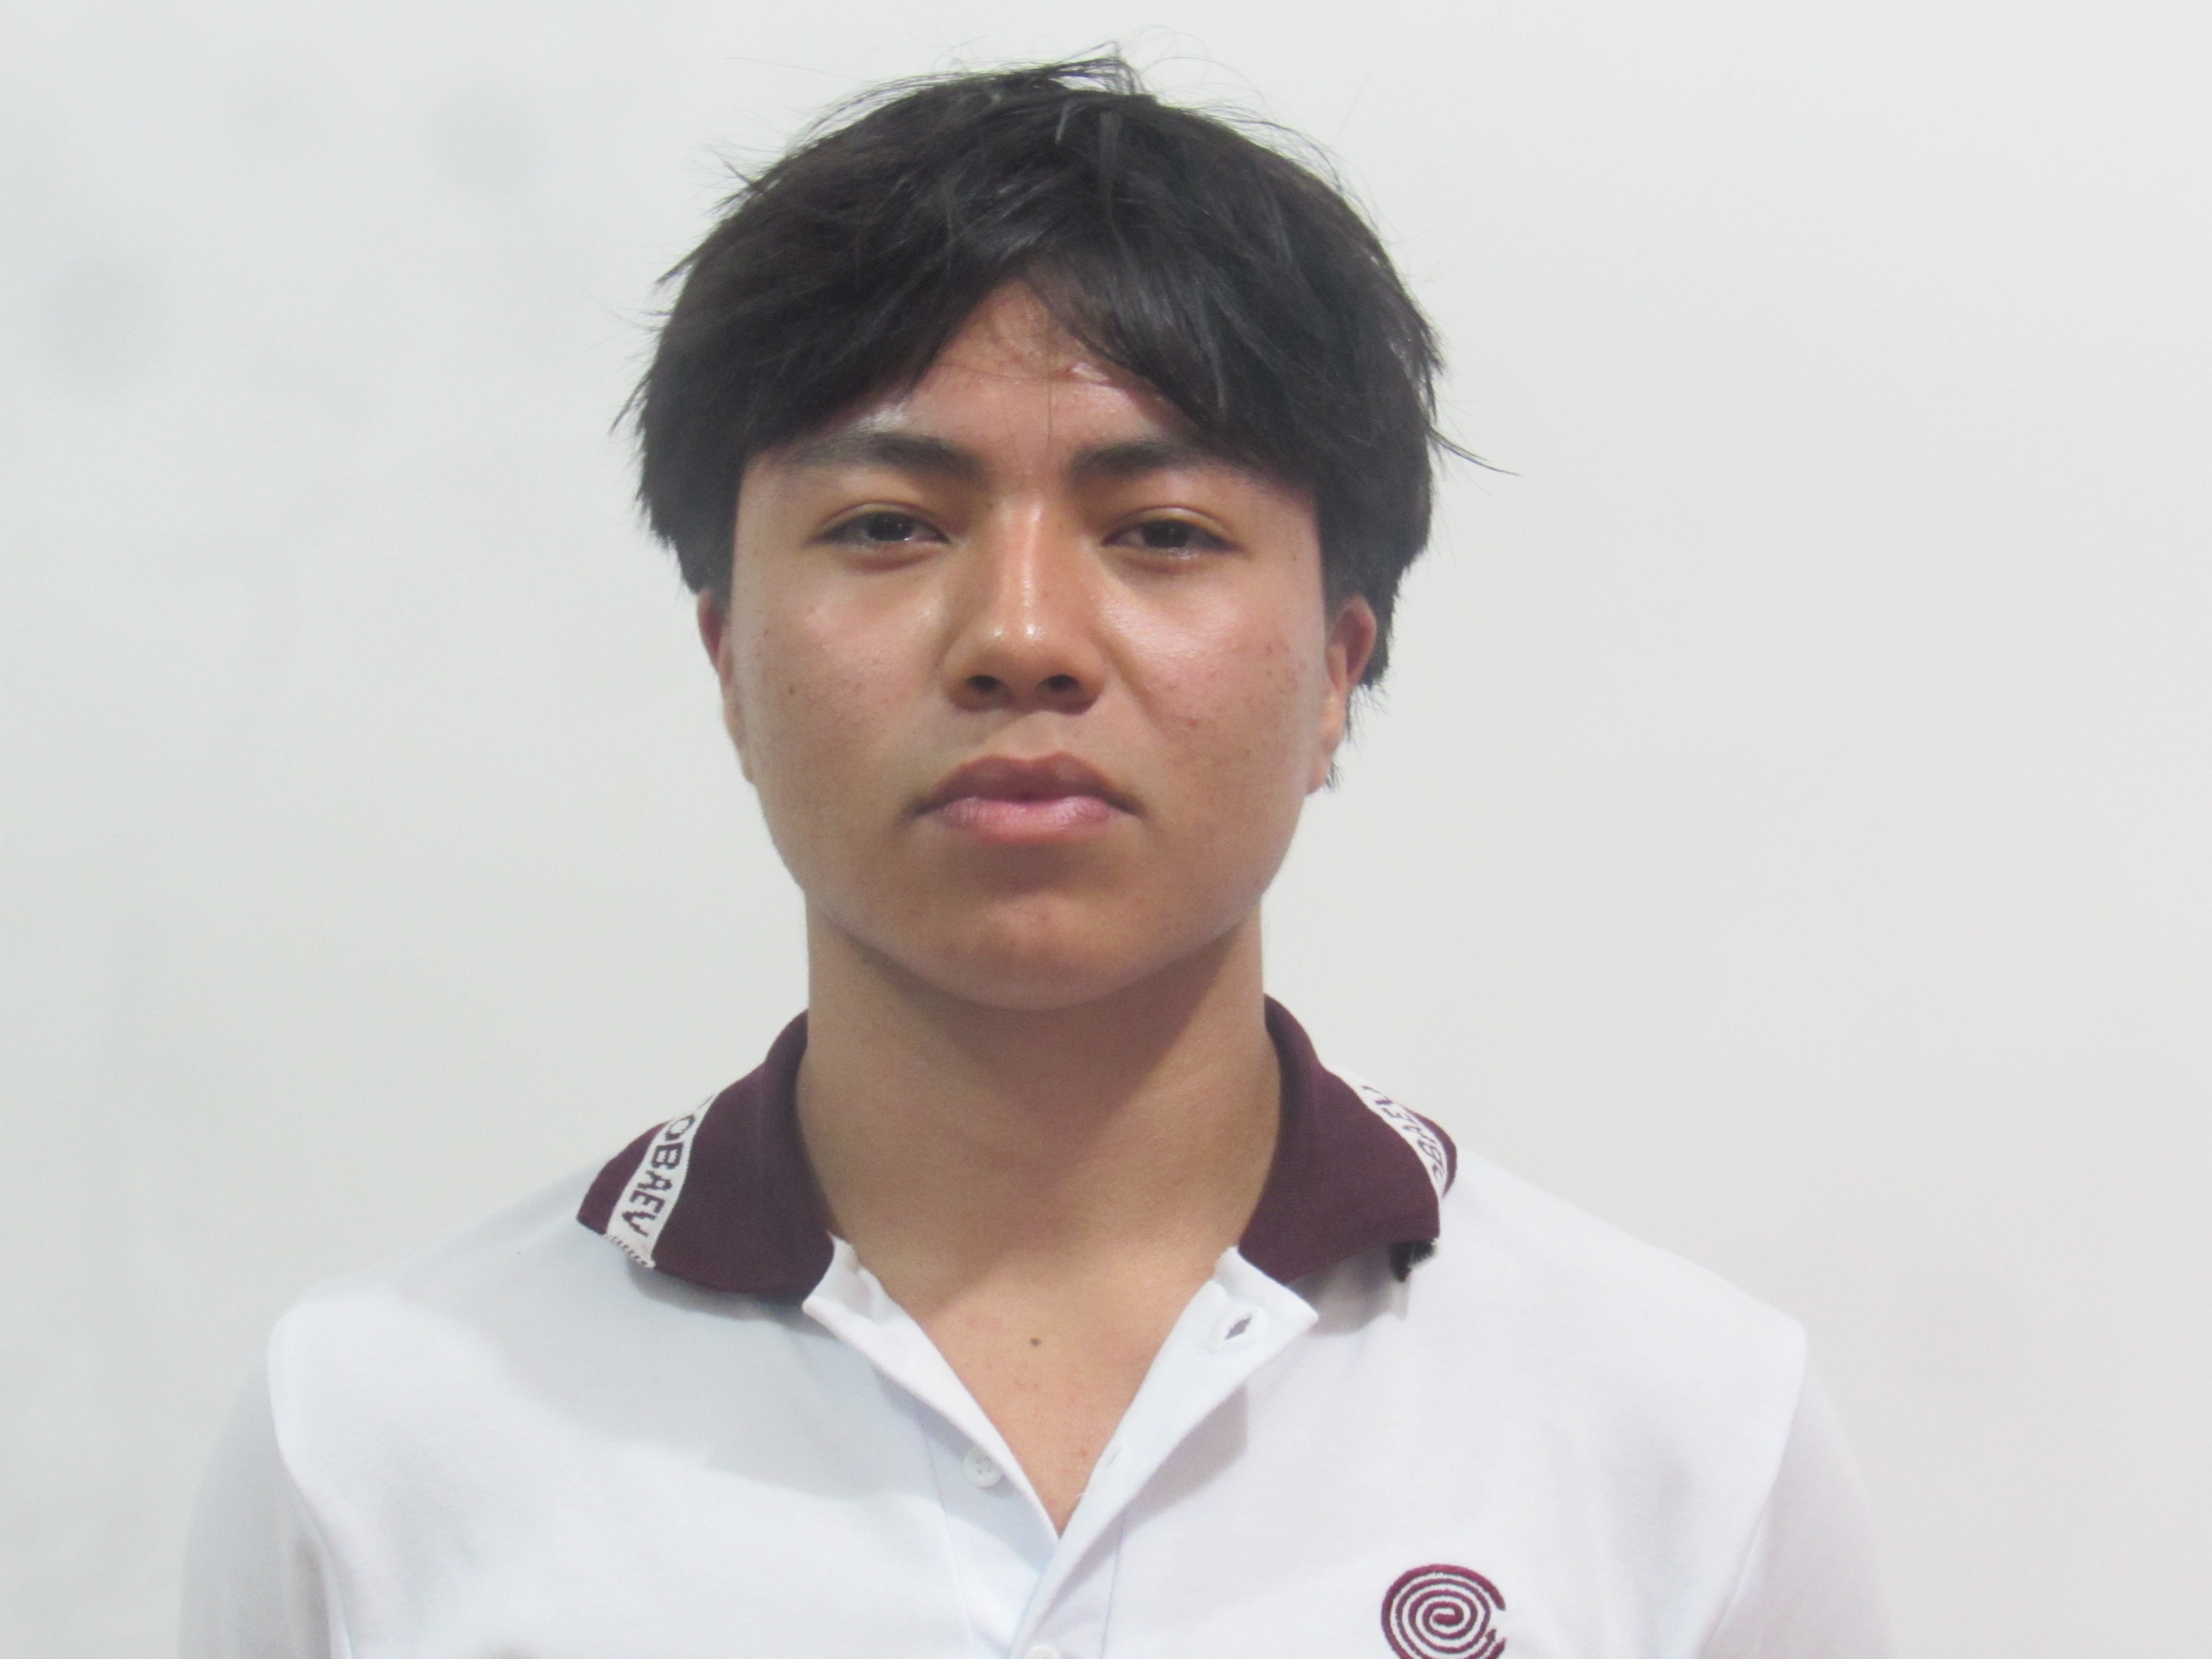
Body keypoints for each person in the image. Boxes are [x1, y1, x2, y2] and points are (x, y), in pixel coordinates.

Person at [182, 57, 1890, 1659]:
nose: (1019, 638)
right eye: (887, 526)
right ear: (728, 659)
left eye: (1162, 532)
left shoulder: (1679, 1429)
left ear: (1337, 669)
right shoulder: (384, 1437)